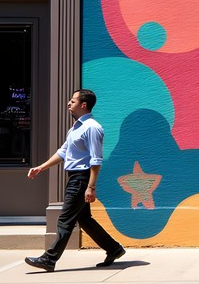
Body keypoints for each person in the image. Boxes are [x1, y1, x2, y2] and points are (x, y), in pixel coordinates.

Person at [24, 89, 125, 272]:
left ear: (83, 105)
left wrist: (91, 187)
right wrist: (41, 167)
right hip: (74, 177)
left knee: (65, 219)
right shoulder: (75, 128)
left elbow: (96, 160)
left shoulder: (92, 128)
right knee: (84, 219)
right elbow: (63, 152)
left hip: (81, 178)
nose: (69, 104)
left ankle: (49, 258)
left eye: (72, 101)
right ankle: (114, 248)